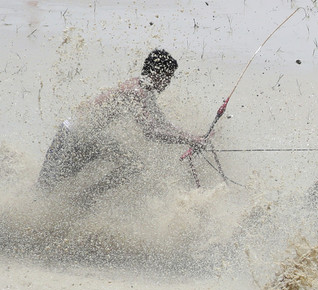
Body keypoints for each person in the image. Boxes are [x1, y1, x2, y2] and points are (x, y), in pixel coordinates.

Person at [36, 49, 204, 203]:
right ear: (155, 73)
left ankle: (85, 199)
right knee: (45, 187)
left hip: (88, 138)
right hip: (72, 135)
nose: (168, 83)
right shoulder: (136, 91)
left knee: (133, 165)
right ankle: (81, 200)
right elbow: (151, 132)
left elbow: (163, 124)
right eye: (167, 77)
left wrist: (194, 138)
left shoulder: (144, 91)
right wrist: (189, 139)